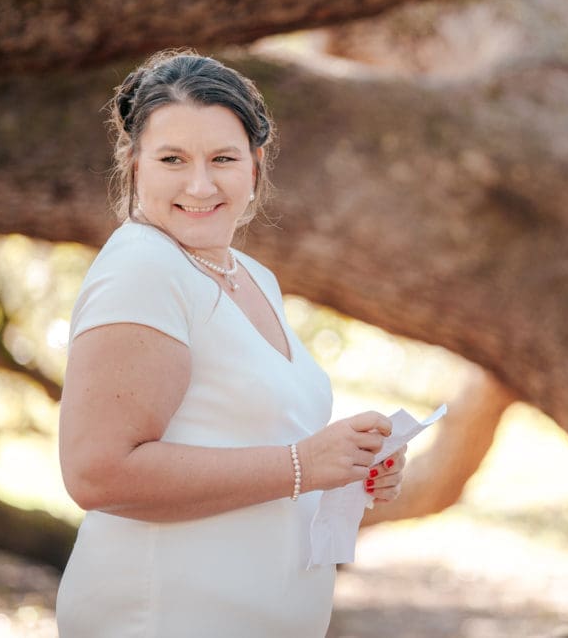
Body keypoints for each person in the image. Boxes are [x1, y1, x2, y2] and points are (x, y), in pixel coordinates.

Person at [56, 50, 407, 637]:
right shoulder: (143, 269)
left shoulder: (246, 273)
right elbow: (97, 473)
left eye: (223, 158)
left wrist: (346, 468)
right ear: (135, 164)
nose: (200, 184)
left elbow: (255, 446)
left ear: (255, 165)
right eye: (173, 159)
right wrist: (302, 464)